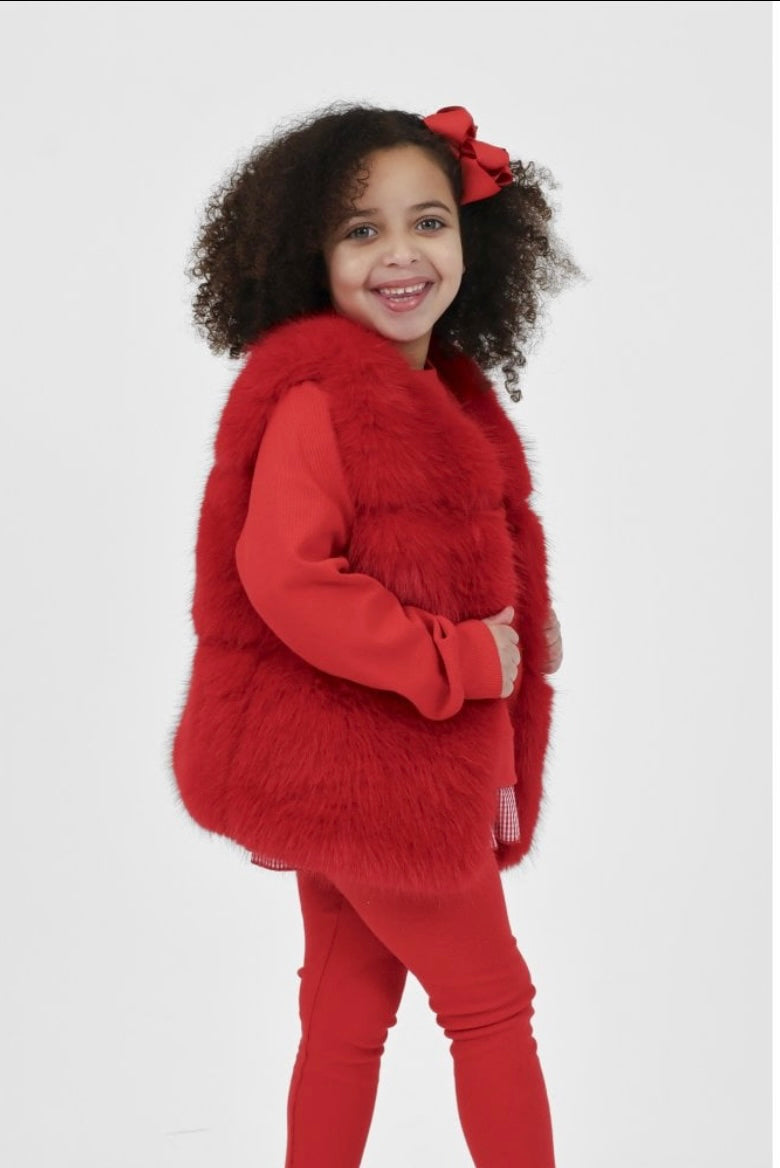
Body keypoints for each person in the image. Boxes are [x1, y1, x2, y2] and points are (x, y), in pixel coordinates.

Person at [169, 102, 579, 1168]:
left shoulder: (436, 389)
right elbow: (290, 579)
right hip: (383, 775)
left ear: (472, 240)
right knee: (491, 1006)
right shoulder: (322, 398)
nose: (401, 254)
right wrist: (459, 658)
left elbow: (433, 550)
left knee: (345, 1013)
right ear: (310, 254)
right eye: (362, 231)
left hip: (351, 770)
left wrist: (522, 621)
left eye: (428, 222)